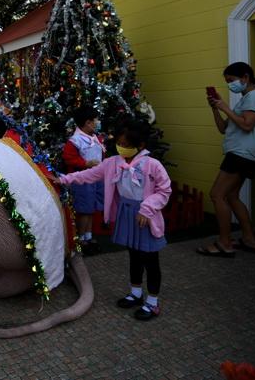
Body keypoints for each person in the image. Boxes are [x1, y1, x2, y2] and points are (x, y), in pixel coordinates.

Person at [54, 120, 171, 321]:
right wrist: (64, 179)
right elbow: (89, 174)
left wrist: (148, 207)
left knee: (150, 260)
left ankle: (152, 302)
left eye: (125, 145)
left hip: (146, 217)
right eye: (119, 143)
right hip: (127, 215)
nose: (121, 147)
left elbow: (164, 189)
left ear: (140, 145)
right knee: (134, 255)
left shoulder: (152, 165)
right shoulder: (113, 162)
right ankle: (135, 293)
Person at [198, 62, 255, 257]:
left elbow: (247, 125)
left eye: (231, 80)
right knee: (231, 196)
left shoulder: (254, 97)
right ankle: (249, 239)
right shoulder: (245, 100)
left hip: (241, 155)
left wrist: (226, 107)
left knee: (217, 195)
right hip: (242, 155)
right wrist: (215, 108)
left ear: (245, 77)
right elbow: (223, 128)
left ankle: (224, 243)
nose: (230, 85)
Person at [62, 106, 105, 255]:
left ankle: (88, 236)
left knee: (91, 209)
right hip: (83, 180)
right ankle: (81, 240)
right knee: (84, 210)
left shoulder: (95, 138)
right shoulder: (75, 141)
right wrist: (85, 163)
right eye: (96, 120)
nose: (98, 122)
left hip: (96, 178)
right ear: (88, 123)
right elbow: (69, 157)